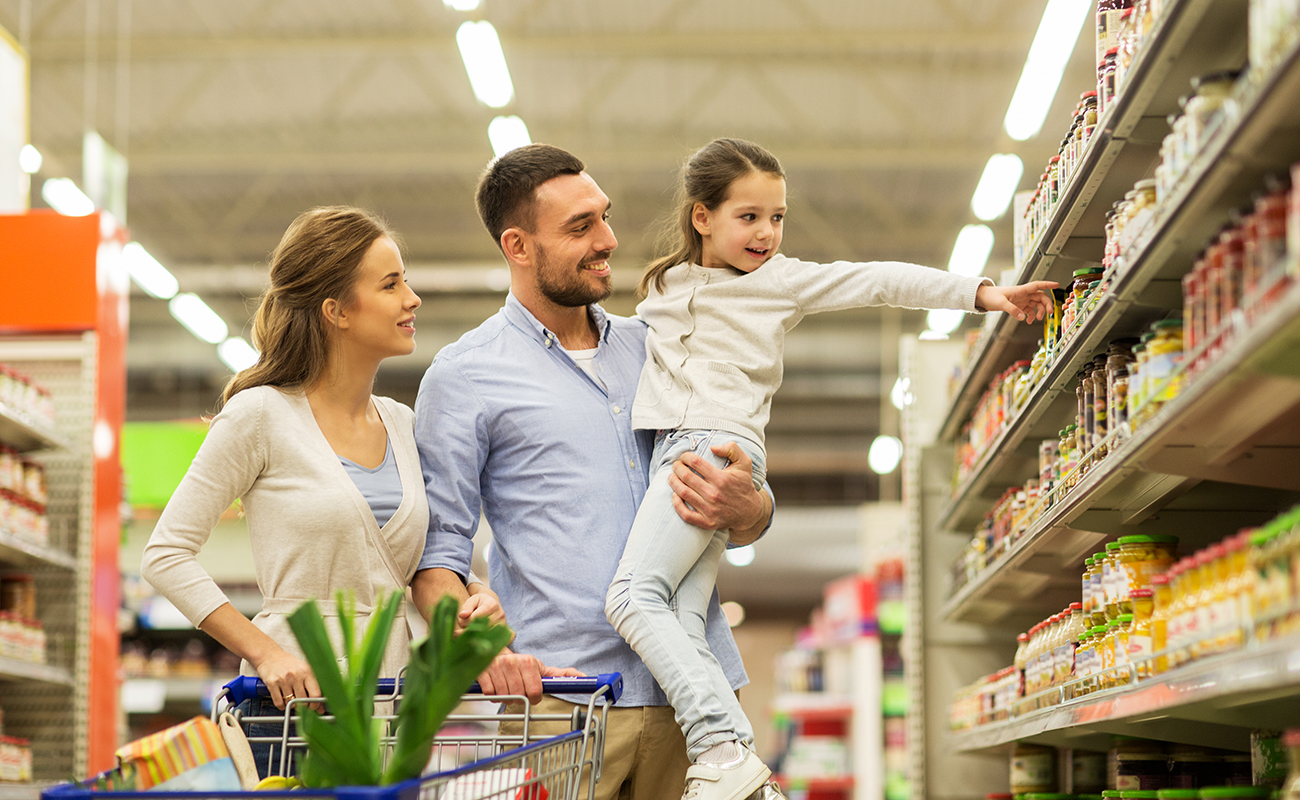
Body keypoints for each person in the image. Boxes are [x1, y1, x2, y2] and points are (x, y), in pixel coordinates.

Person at [600, 137, 1059, 799]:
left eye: (777, 217)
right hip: (678, 445)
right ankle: (744, 776)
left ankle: (720, 749)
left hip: (710, 448)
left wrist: (982, 293)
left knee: (631, 598)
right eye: (749, 216)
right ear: (702, 217)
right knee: (682, 616)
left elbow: (878, 280)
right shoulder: (665, 285)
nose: (767, 233)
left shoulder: (779, 282)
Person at [410, 145, 776, 800]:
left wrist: (750, 506)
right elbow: (437, 559)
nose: (607, 240)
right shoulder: (465, 376)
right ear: (518, 246)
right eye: (580, 227)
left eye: (603, 217)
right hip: (563, 704)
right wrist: (479, 647)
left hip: (698, 703)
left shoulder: (660, 347)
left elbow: (744, 511)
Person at [141, 206, 502, 778]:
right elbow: (165, 555)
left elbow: (411, 563)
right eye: (391, 284)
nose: (412, 299)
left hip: (393, 706)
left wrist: (473, 593)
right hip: (293, 708)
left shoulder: (404, 424)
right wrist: (266, 652)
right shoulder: (260, 416)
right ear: (336, 311)